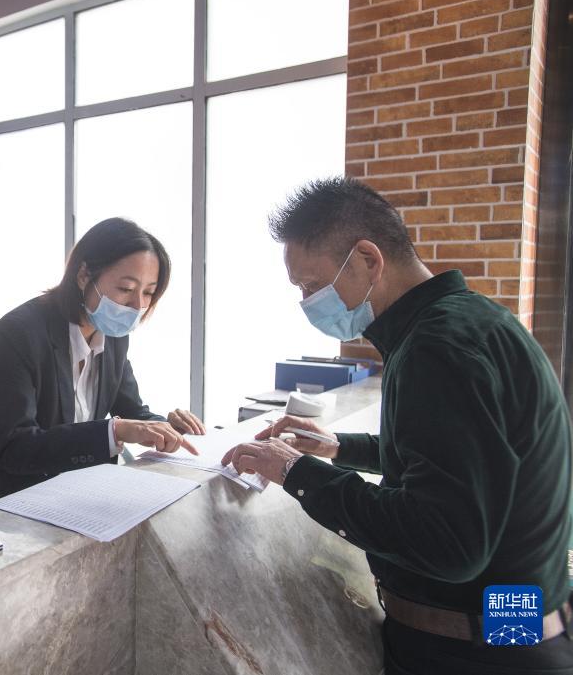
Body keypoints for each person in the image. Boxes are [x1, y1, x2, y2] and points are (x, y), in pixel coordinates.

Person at [224, 177, 573, 674]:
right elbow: (459, 458)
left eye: (312, 286)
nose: (307, 302)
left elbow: (448, 542)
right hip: (514, 627)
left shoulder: (438, 349)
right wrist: (339, 446)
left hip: (476, 653)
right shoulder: (469, 321)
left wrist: (297, 473)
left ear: (368, 259)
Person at [0, 217, 205, 499]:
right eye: (126, 289)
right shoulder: (19, 333)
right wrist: (115, 431)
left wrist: (167, 428)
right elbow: (16, 447)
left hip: (74, 490)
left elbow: (131, 411)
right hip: (5, 495)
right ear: (84, 275)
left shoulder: (113, 335)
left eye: (148, 292)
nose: (137, 305)